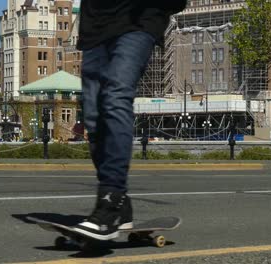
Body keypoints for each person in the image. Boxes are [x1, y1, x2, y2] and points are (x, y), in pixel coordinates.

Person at [72, 1, 187, 240]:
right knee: (93, 119)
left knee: (116, 96)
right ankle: (122, 208)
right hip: (95, 29)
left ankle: (110, 201)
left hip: (138, 24)